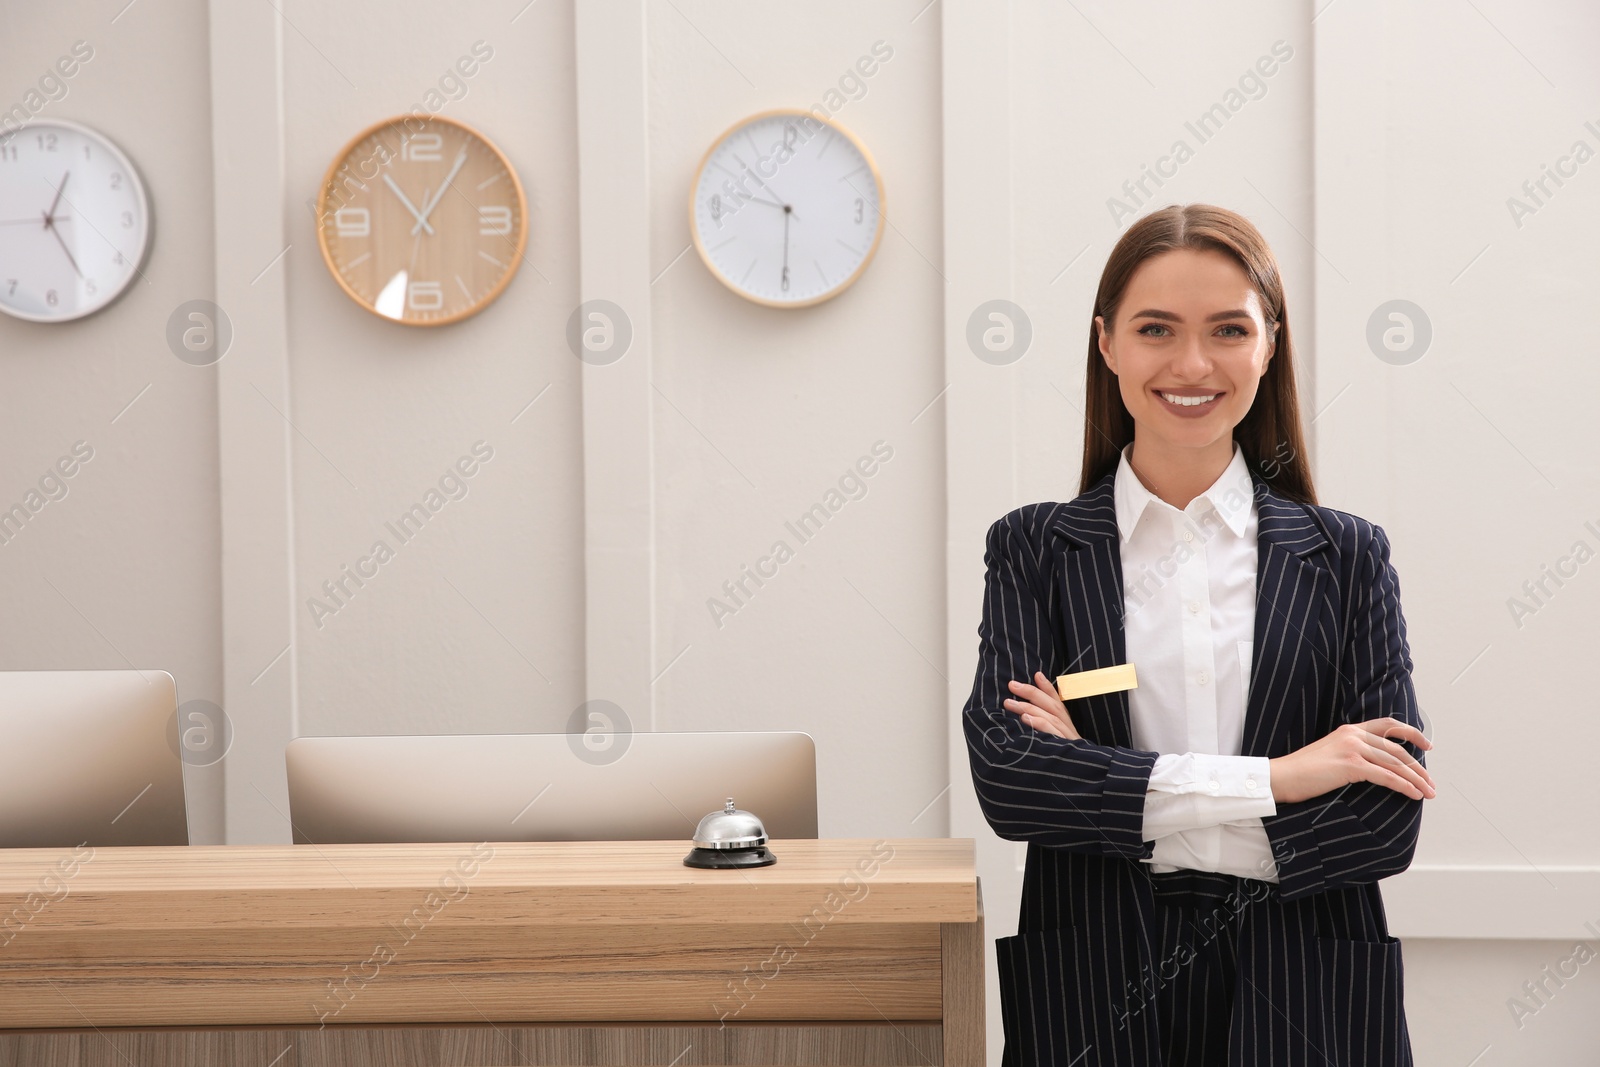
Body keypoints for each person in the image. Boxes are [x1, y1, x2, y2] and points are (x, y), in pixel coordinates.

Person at [962, 203, 1435, 1067]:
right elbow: (1014, 782)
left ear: (1269, 344)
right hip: (1096, 984)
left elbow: (1380, 821)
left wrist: (1110, 790)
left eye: (1227, 329)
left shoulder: (1348, 556)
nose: (1191, 363)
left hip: (1309, 987)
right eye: (1155, 329)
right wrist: (1283, 778)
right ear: (1107, 345)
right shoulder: (1032, 548)